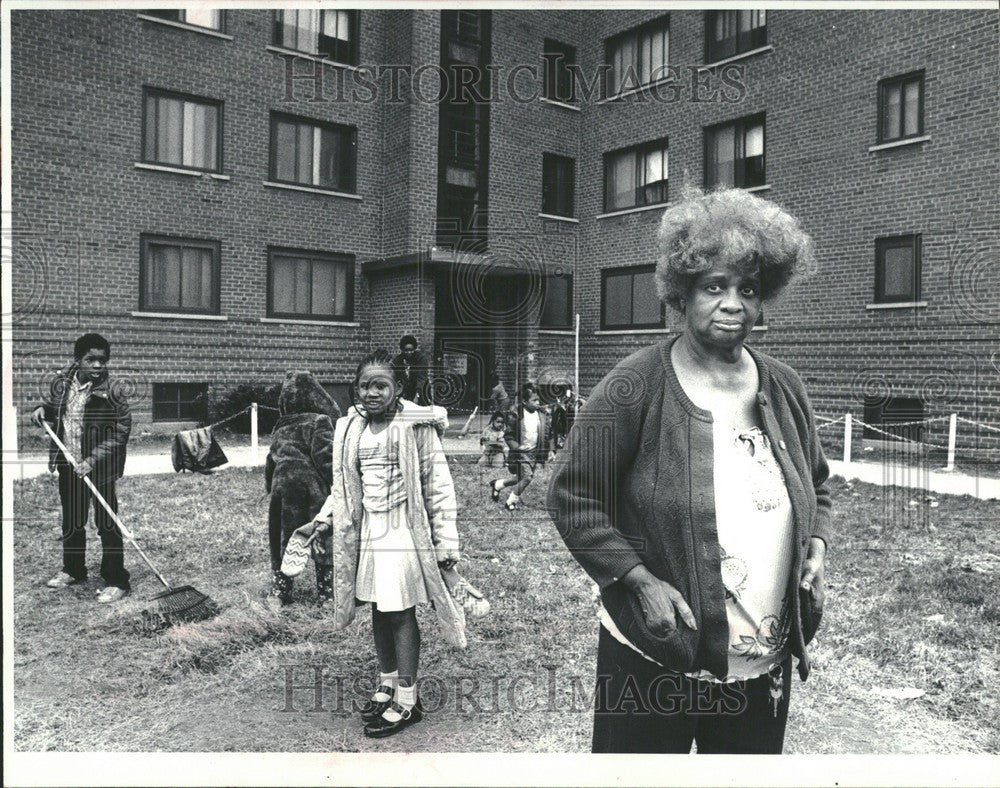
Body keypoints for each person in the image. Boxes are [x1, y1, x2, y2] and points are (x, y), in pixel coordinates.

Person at [547, 187, 831, 754]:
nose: (733, 303)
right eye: (715, 286)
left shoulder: (784, 385)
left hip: (760, 665)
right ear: (682, 292)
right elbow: (574, 494)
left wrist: (816, 545)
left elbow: (817, 484)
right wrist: (636, 579)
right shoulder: (634, 385)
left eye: (747, 289)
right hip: (656, 655)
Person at [310, 350, 465, 738]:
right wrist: (324, 520)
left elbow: (438, 485)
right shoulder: (351, 427)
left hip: (402, 532)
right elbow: (344, 484)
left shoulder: (415, 424)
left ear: (397, 388)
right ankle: (388, 683)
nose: (371, 392)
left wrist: (446, 541)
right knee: (379, 609)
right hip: (369, 532)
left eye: (381, 385)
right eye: (364, 385)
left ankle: (408, 700)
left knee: (400, 613)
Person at [30, 333, 132, 603]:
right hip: (69, 463)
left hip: (100, 467)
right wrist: (42, 409)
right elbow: (55, 409)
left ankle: (116, 579)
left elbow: (121, 432)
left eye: (102, 360)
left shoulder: (114, 390)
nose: (98, 365)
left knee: (107, 522)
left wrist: (92, 460)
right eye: (91, 359)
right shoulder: (63, 383)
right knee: (73, 521)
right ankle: (74, 570)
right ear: (79, 360)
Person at [264, 371, 340, 608]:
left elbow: (271, 459)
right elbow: (325, 457)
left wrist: (270, 487)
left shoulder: (281, 425)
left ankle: (280, 591)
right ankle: (327, 594)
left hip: (282, 487)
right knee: (320, 535)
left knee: (282, 537)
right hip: (312, 488)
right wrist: (337, 482)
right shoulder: (319, 421)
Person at [488, 383, 554, 511]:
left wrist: (551, 450)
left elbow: (549, 433)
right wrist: (518, 447)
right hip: (521, 453)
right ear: (524, 401)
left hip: (535, 452)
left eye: (538, 400)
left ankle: (498, 484)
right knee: (527, 478)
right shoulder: (516, 414)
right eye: (534, 400)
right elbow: (508, 436)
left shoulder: (542, 414)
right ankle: (511, 502)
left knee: (521, 478)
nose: (537, 403)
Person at [391, 334, 433, 406]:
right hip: (405, 391)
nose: (409, 352)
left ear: (414, 348)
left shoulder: (421, 359)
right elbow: (396, 378)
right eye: (406, 350)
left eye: (411, 350)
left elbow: (421, 378)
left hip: (420, 390)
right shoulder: (398, 360)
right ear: (402, 349)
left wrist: (417, 396)